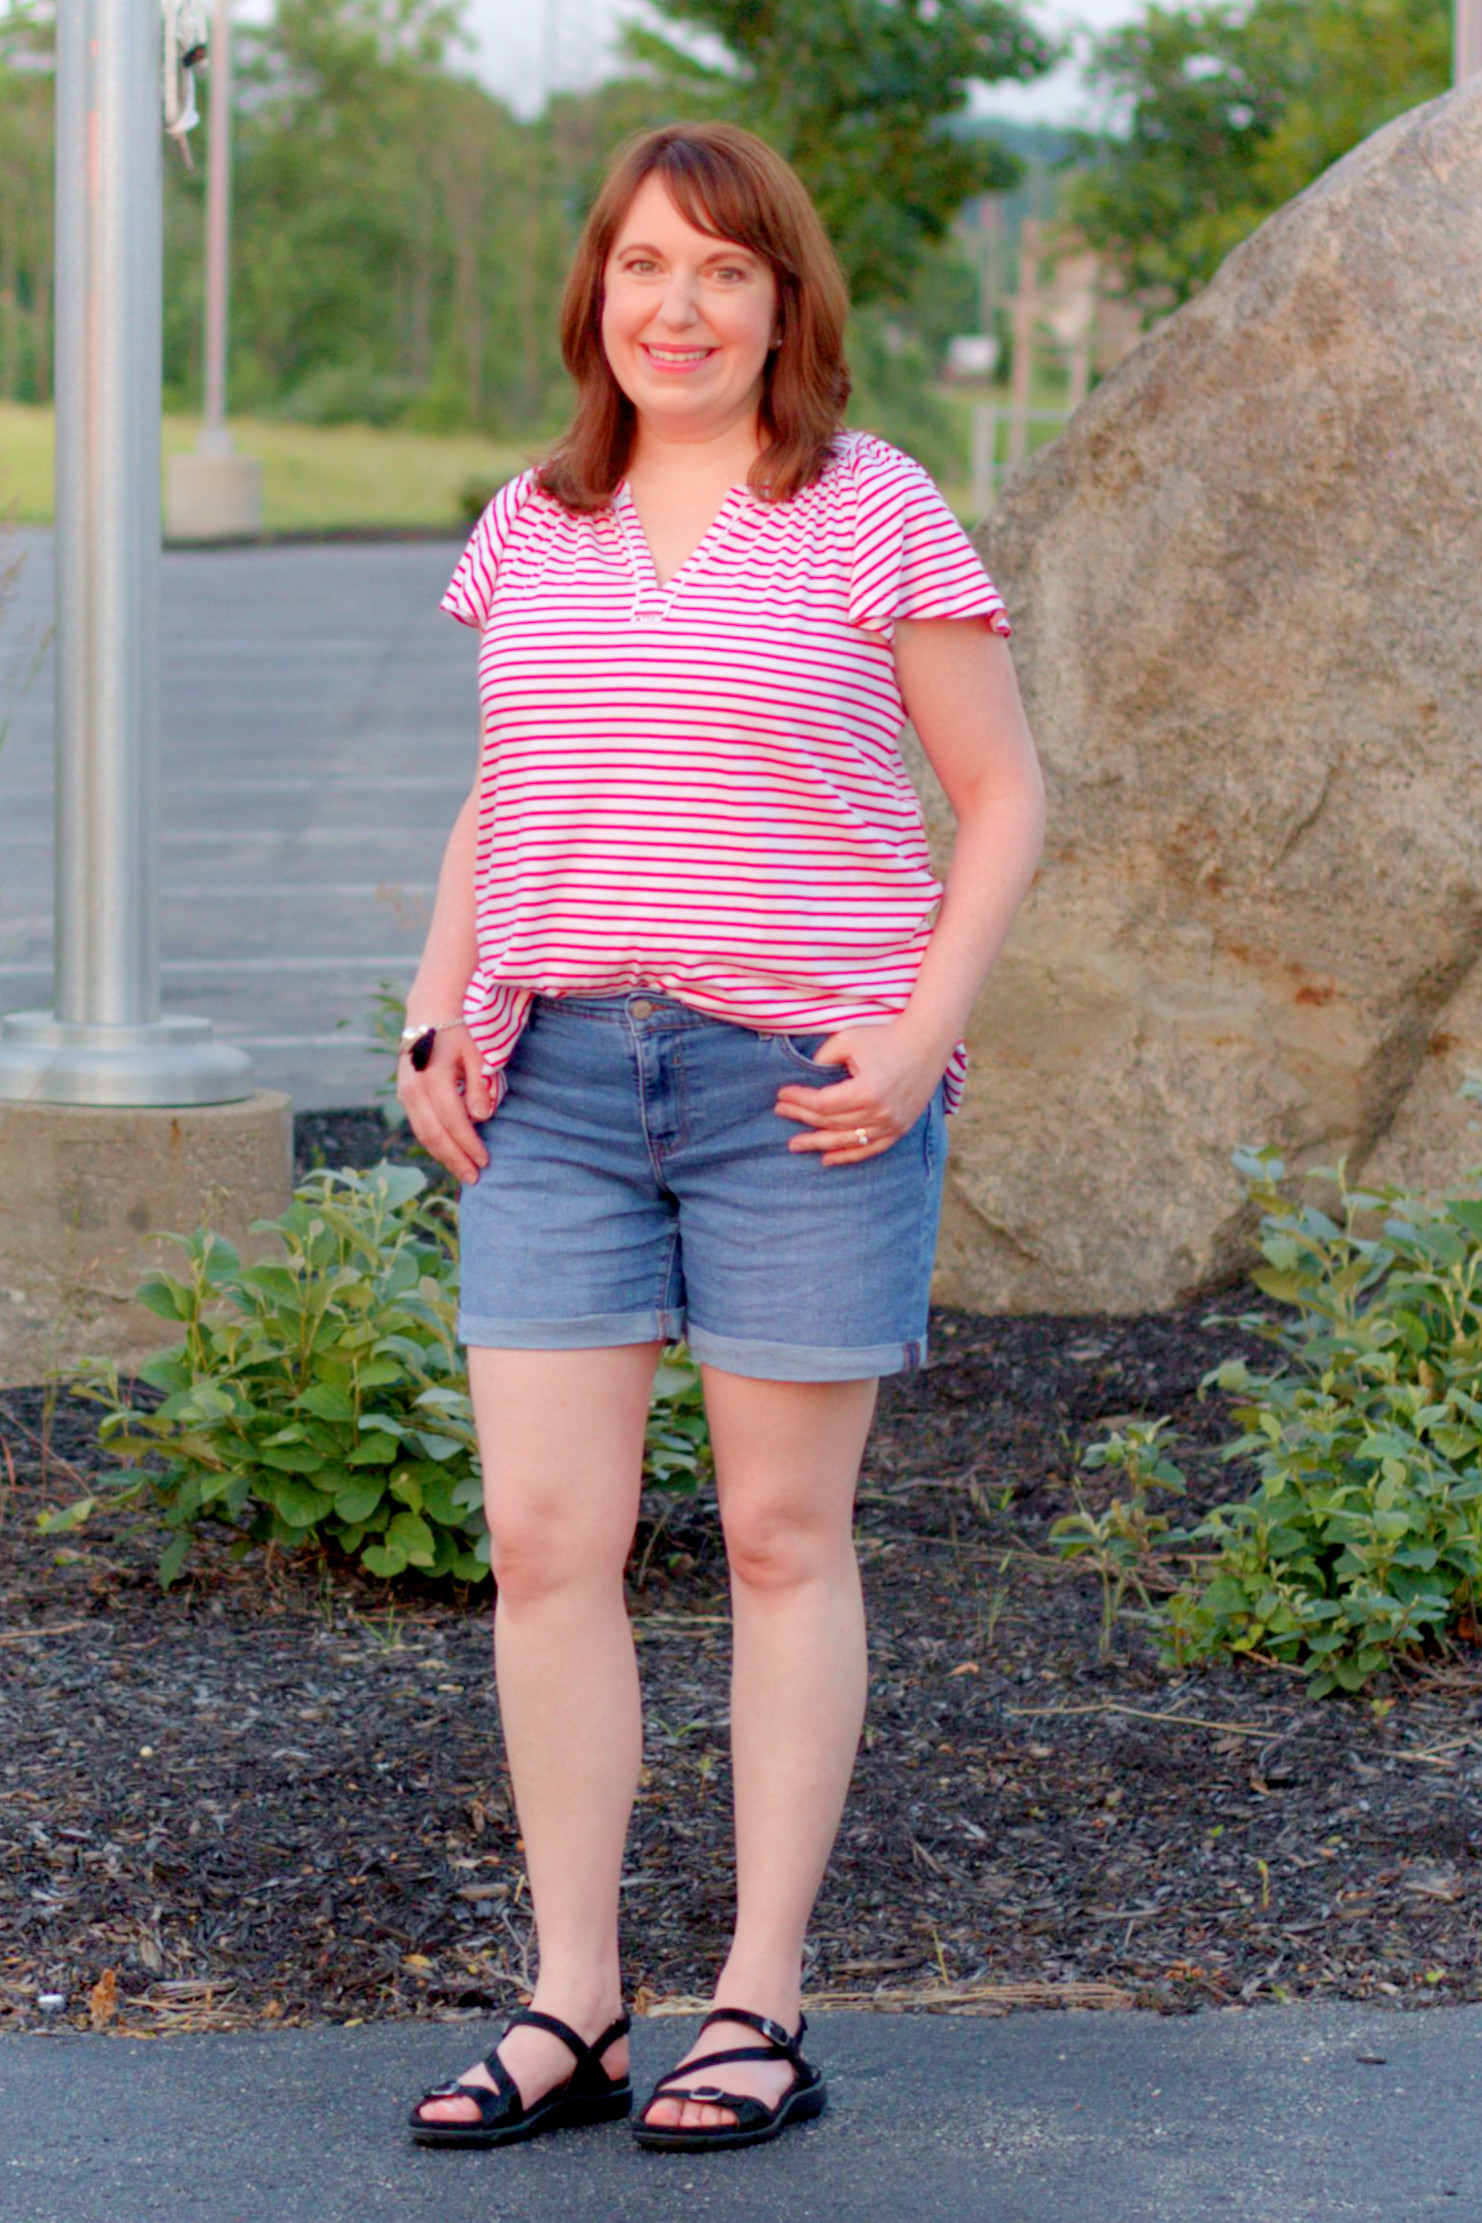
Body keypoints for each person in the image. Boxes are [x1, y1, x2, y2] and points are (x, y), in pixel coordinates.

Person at [399, 119, 1045, 2155]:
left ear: (785, 305)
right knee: (545, 1543)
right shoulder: (535, 519)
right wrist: (435, 995)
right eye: (643, 268)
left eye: (724, 272)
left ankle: (759, 1997)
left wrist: (915, 1035)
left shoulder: (875, 514)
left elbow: (1004, 799)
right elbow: (509, 789)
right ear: (599, 294)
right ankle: (575, 1997)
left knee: (779, 1538)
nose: (677, 307)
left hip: (798, 1094)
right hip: (563, 1083)